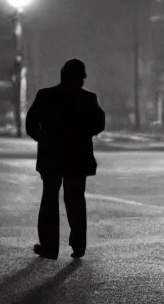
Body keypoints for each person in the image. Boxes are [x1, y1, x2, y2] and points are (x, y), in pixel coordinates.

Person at [26, 59, 106, 260]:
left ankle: (49, 248)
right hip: (78, 157)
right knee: (76, 200)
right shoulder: (88, 99)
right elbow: (99, 124)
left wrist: (44, 139)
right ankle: (78, 246)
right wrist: (82, 135)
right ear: (81, 78)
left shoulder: (46, 96)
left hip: (51, 156)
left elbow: (31, 124)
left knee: (50, 200)